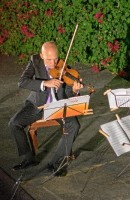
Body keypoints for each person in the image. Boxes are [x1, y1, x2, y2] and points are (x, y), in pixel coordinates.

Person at [8, 41, 83, 176]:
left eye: (56, 58)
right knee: (14, 123)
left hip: (57, 105)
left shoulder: (63, 66)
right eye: (49, 59)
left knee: (74, 125)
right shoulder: (34, 61)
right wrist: (44, 83)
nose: (54, 63)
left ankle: (56, 163)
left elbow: (68, 93)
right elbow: (22, 82)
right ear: (42, 56)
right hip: (37, 105)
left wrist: (75, 91)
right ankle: (28, 158)